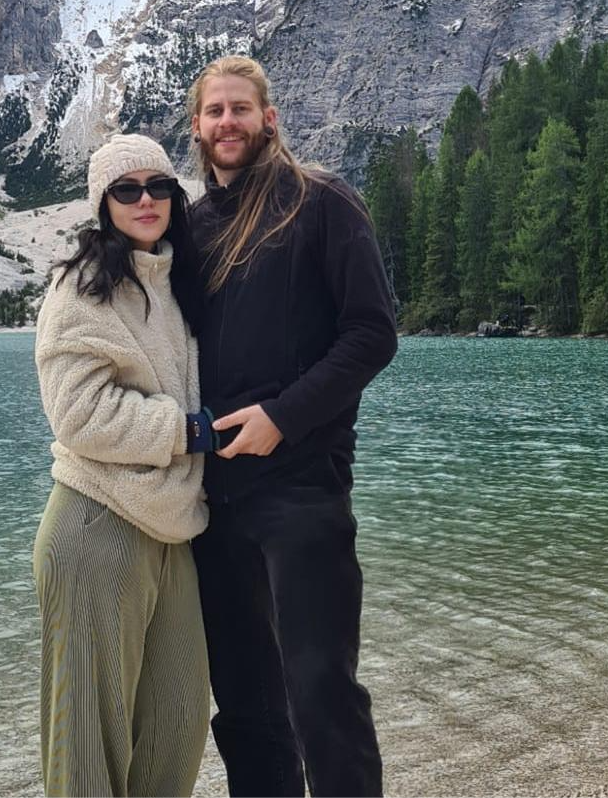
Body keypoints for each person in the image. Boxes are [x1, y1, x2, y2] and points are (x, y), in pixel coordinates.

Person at [187, 57, 398, 798]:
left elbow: (373, 334)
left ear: (268, 118)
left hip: (303, 488)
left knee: (320, 691)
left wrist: (284, 416)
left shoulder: (323, 204)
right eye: (214, 111)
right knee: (246, 702)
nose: (228, 123)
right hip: (213, 499)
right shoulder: (190, 227)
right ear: (197, 127)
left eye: (240, 109)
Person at [32, 133, 214, 798]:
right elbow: (77, 412)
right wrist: (187, 430)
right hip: (96, 524)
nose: (146, 200)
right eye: (127, 189)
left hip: (172, 525)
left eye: (159, 186)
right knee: (87, 745)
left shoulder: (175, 279)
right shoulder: (82, 286)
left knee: (181, 717)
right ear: (101, 202)